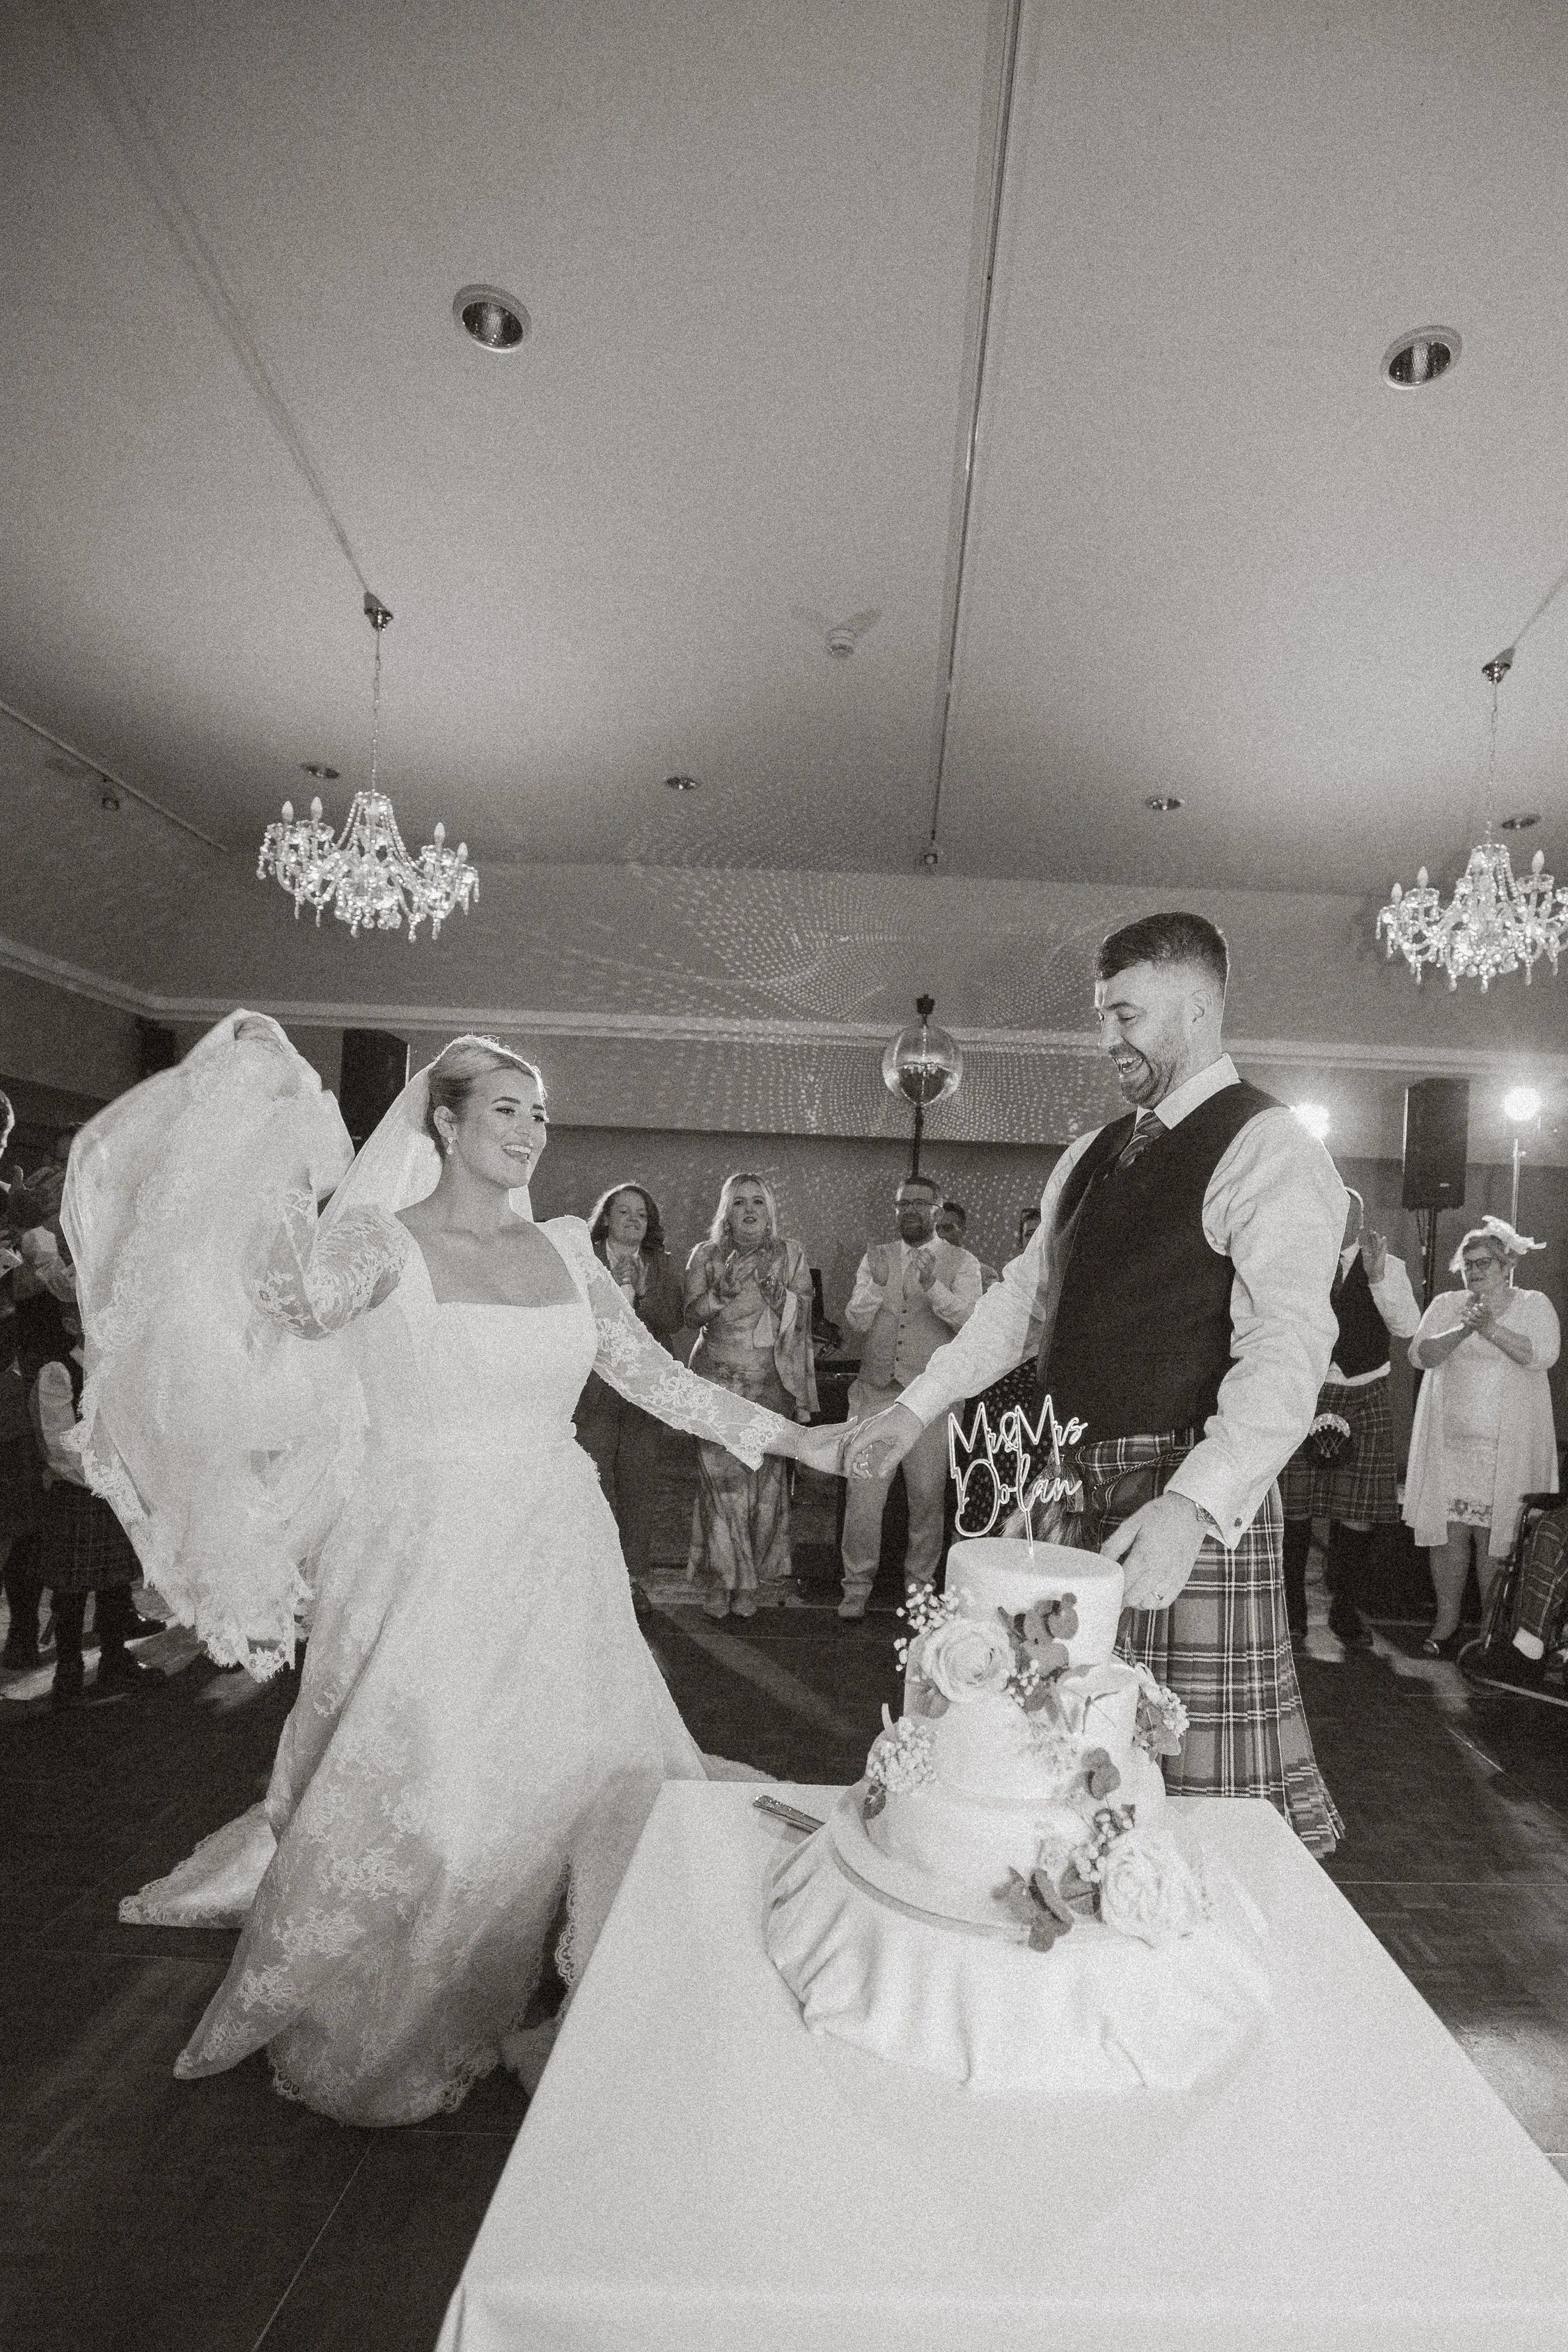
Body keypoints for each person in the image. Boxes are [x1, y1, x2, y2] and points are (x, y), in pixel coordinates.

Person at [68, 1021, 808, 2126]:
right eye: (506, 1107)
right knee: (441, 1801)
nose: (530, 1129)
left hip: (557, 1545)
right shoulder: (378, 1243)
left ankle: (566, 1987)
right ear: (446, 1122)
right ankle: (408, 1999)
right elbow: (290, 1306)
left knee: (587, 1772)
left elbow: (659, 1378)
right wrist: (271, 1133)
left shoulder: (567, 1247)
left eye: (541, 1112)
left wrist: (805, 1440)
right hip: (419, 1548)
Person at [839, 912, 1347, 1856]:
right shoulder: (1091, 1153)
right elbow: (1014, 1306)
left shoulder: (1268, 1144)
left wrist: (1193, 1507)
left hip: (1184, 1500)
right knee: (1054, 1773)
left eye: (1128, 1013)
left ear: (1197, 1006)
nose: (1107, 1038)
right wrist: (913, 1407)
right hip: (1068, 1483)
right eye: (1103, 1015)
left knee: (1195, 1807)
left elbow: (1289, 1346)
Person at [1404, 1217, 1560, 1658]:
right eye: (1467, 1264)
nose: (1474, 1271)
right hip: (1451, 1444)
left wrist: (1490, 1327)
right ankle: (1447, 1623)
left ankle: (1491, 1634)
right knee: (1449, 1534)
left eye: (1484, 1263)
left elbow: (1543, 1354)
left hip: (1506, 1448)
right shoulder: (1448, 1303)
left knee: (1496, 1540)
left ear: (1507, 1264)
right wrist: (1467, 1327)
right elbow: (1421, 1354)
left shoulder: (1534, 1303)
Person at [1279, 1187, 1420, 1651]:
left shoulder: (1386, 1264)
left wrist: (1378, 1279)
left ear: (1357, 1220)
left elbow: (1407, 1328)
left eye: (1345, 1215)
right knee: (1293, 1510)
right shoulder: (1295, 1259)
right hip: (1308, 1391)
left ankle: (1345, 1612)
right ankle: (1292, 1612)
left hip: (1365, 1393)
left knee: (1358, 1513)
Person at [838, 1172, 982, 1620]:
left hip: (932, 1403)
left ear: (939, 1209)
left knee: (927, 1499)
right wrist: (880, 1286)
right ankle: (856, 1586)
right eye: (903, 1204)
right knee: (863, 1497)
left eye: (920, 1203)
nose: (911, 1211)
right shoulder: (877, 1259)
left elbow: (974, 1324)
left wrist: (933, 1289)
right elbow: (856, 1323)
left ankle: (919, 1588)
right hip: (876, 1394)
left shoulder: (963, 1262)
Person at [684, 1173, 816, 1617]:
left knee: (762, 1488)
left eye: (758, 1201)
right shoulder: (706, 1255)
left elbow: (805, 1315)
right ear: (727, 1210)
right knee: (722, 1490)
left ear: (770, 1209)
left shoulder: (789, 1254)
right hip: (716, 1384)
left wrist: (782, 1300)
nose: (749, 1210)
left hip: (769, 1387)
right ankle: (722, 1580)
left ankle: (750, 1583)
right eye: (739, 1202)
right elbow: (691, 1315)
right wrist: (721, 1292)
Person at [574, 1184, 685, 1597]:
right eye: (625, 1213)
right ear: (605, 1218)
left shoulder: (661, 1264)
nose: (634, 1221)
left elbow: (674, 1319)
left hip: (642, 1397)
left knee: (638, 1488)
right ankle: (598, 1583)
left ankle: (635, 1582)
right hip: (593, 1394)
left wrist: (641, 1293)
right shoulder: (583, 1260)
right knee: (596, 1486)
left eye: (642, 1215)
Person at [936, 1199, 999, 1289]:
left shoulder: (985, 1275)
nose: (940, 1234)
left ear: (963, 1231)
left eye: (948, 1228)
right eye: (936, 1229)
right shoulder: (919, 1270)